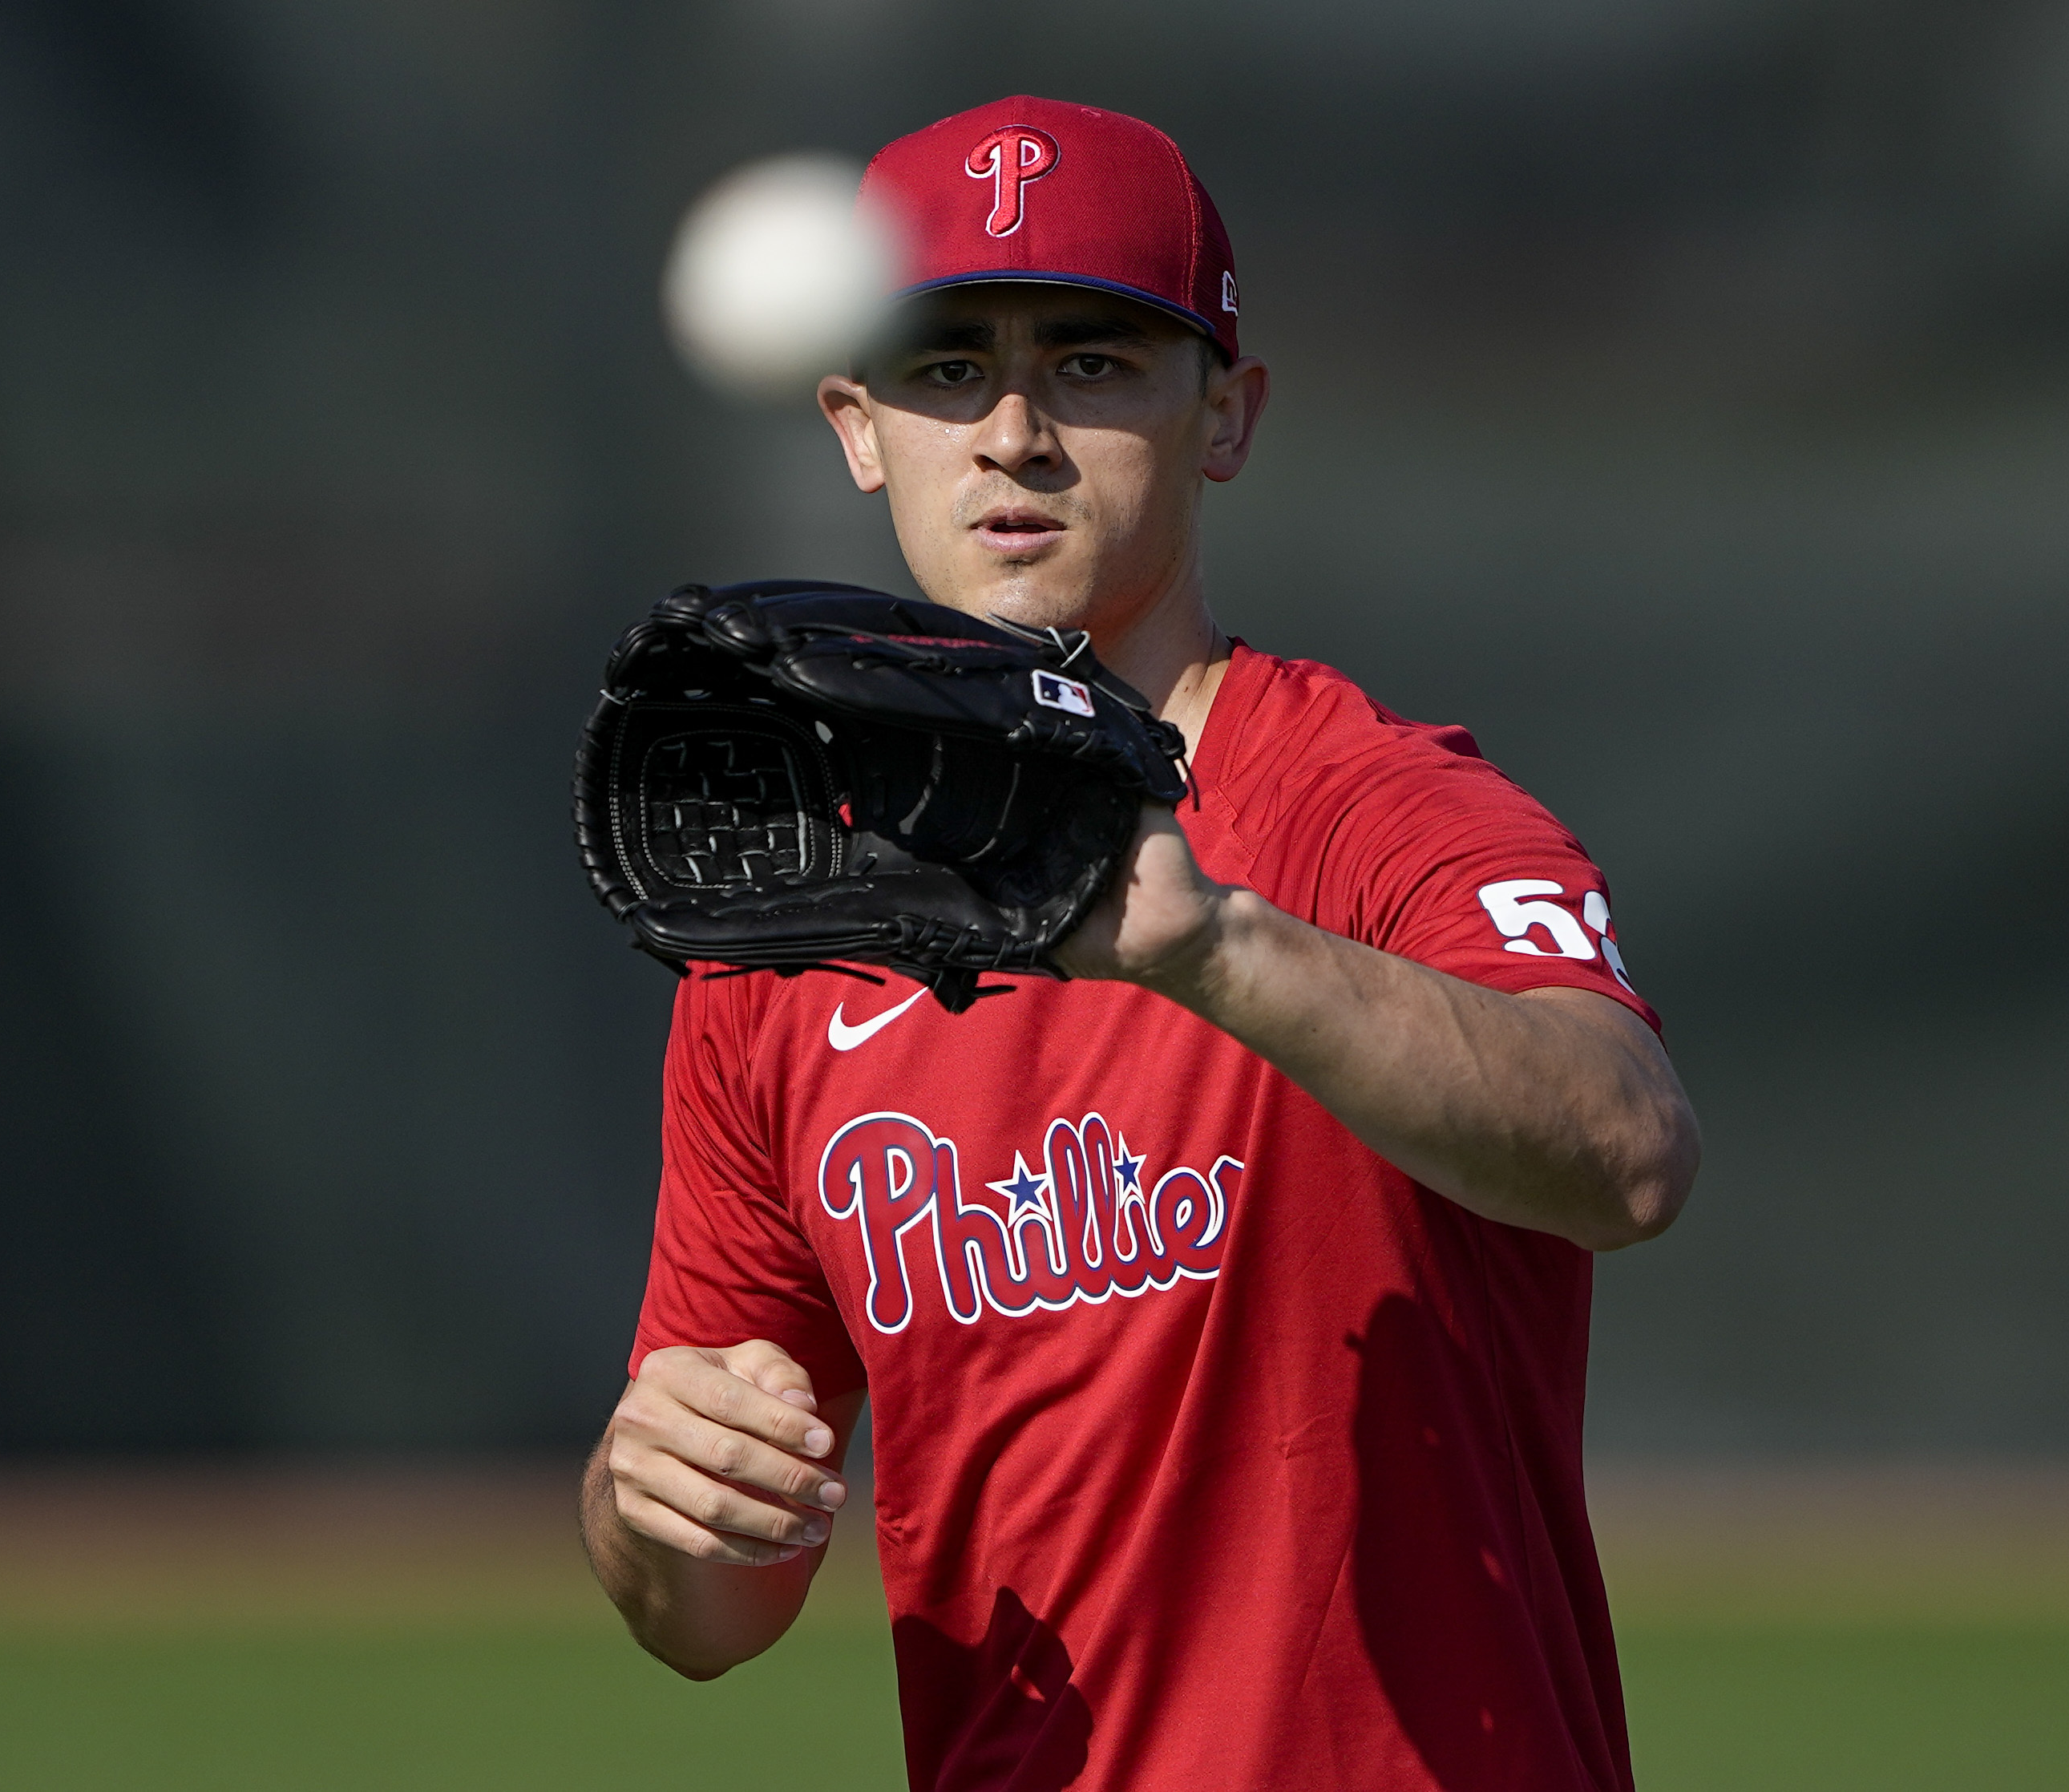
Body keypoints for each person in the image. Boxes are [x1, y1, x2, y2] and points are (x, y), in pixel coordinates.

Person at [580, 95, 1700, 1792]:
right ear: (856, 427)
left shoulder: (1374, 813)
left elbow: (1622, 1153)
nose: (1014, 430)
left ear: (1226, 416)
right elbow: (712, 1610)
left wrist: (1219, 949)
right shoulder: (787, 941)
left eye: (1094, 364)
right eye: (945, 372)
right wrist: (649, 1496)